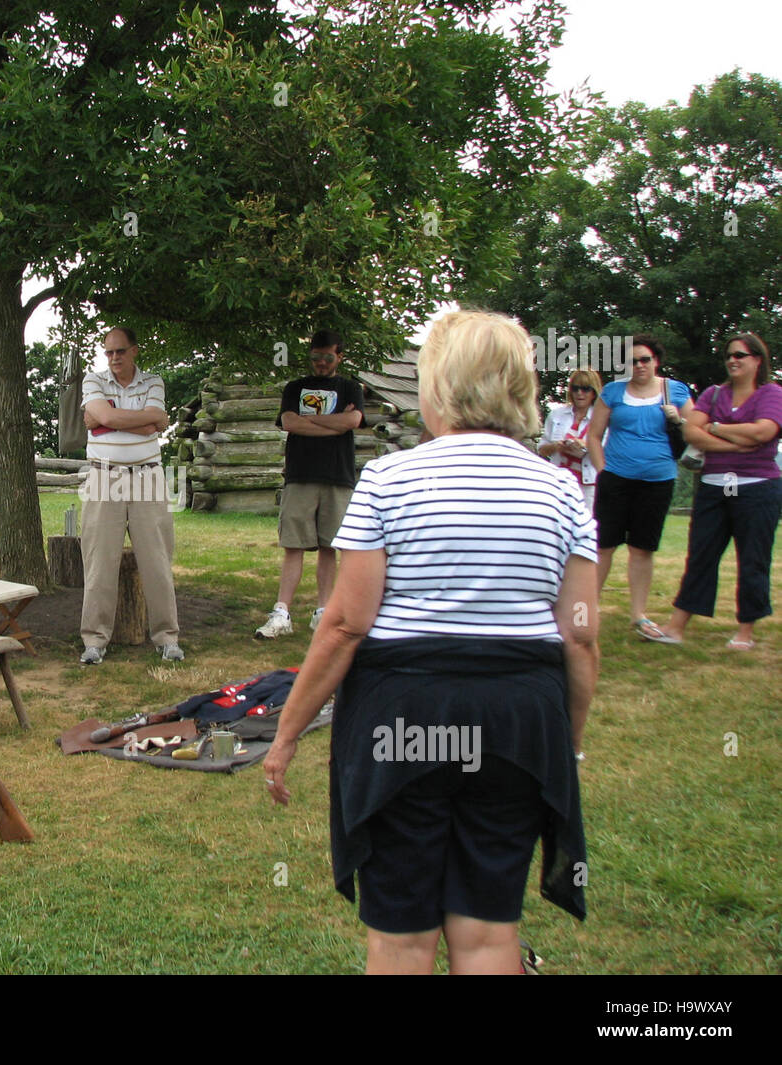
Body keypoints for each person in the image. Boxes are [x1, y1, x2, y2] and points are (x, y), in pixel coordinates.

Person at [263, 310, 598, 975]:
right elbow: (581, 637)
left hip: (403, 716)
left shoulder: (391, 480)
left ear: (438, 387)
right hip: (518, 722)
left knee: (402, 937)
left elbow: (344, 624)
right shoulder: (562, 491)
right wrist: (570, 742)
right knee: (486, 932)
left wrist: (287, 733)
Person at [654, 333, 782, 648]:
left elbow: (765, 430)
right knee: (700, 556)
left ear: (757, 360)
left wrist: (715, 428)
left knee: (753, 558)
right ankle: (675, 627)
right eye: (729, 355)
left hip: (758, 488)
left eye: (740, 355)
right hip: (714, 487)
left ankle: (745, 632)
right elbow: (690, 431)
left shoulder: (771, 393)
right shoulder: (712, 394)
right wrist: (740, 442)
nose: (732, 360)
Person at [78, 327, 182, 664]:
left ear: (134, 351)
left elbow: (103, 418)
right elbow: (149, 421)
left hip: (148, 477)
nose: (113, 359)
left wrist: (107, 420)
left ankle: (167, 639)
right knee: (98, 561)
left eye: (120, 352)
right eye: (108, 353)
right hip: (102, 475)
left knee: (157, 562)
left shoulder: (154, 382)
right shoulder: (93, 380)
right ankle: (94, 642)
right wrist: (148, 422)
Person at [255, 330, 364, 638]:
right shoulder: (296, 387)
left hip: (337, 476)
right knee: (293, 545)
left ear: (339, 356)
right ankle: (281, 613)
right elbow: (289, 422)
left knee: (330, 546)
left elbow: (353, 422)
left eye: (327, 357)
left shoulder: (350, 388)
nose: (321, 363)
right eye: (316, 357)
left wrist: (311, 422)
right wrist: (334, 425)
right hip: (300, 475)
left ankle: (323, 613)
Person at [585, 335, 695, 641]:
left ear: (656, 361)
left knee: (642, 549)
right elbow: (594, 435)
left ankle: (638, 615)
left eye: (645, 359)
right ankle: (587, 609)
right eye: (632, 361)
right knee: (603, 546)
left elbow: (695, 430)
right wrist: (603, 471)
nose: (639, 365)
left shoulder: (675, 390)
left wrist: (679, 419)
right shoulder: (613, 392)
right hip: (616, 479)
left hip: (658, 481)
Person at [539, 368, 602, 510]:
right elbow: (542, 449)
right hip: (559, 481)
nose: (580, 393)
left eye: (585, 389)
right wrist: (556, 446)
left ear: (594, 392)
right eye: (575, 388)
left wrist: (584, 446)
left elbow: (607, 453)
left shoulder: (601, 418)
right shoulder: (557, 415)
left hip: (587, 484)